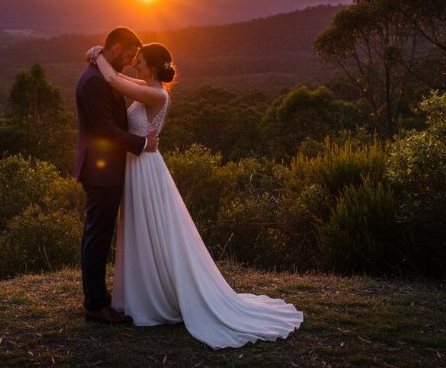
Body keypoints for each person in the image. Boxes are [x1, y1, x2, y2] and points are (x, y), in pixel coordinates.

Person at [87, 42, 304, 349]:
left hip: (146, 168)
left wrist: (97, 55)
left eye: (139, 58)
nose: (134, 61)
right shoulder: (147, 86)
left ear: (150, 64)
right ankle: (144, 292)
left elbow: (112, 81)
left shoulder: (156, 93)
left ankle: (157, 296)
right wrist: (102, 60)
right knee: (142, 229)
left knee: (152, 229)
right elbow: (121, 81)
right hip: (138, 165)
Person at [75, 27, 159, 324]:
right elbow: (106, 131)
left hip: (108, 168)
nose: (132, 60)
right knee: (97, 237)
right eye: (130, 54)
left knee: (97, 234)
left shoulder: (103, 74)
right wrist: (142, 143)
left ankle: (97, 299)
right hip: (101, 171)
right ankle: (96, 305)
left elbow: (118, 81)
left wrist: (98, 54)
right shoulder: (95, 82)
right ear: (118, 47)